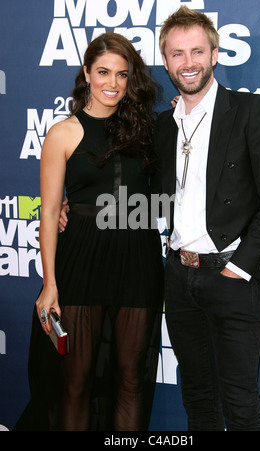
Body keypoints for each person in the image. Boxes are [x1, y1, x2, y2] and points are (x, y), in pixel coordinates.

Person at [153, 6, 260, 431]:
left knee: (240, 403)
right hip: (179, 278)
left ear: (215, 54)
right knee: (197, 398)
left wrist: (241, 265)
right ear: (166, 61)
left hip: (232, 278)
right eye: (178, 54)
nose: (188, 62)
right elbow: (140, 188)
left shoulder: (251, 112)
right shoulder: (165, 124)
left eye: (197, 51)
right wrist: (74, 206)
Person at [15, 32, 164, 431]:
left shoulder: (148, 130)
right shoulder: (62, 133)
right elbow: (48, 212)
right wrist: (50, 283)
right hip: (81, 258)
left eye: (121, 74)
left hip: (137, 257)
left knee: (131, 380)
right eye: (103, 72)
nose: (112, 83)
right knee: (75, 382)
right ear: (86, 73)